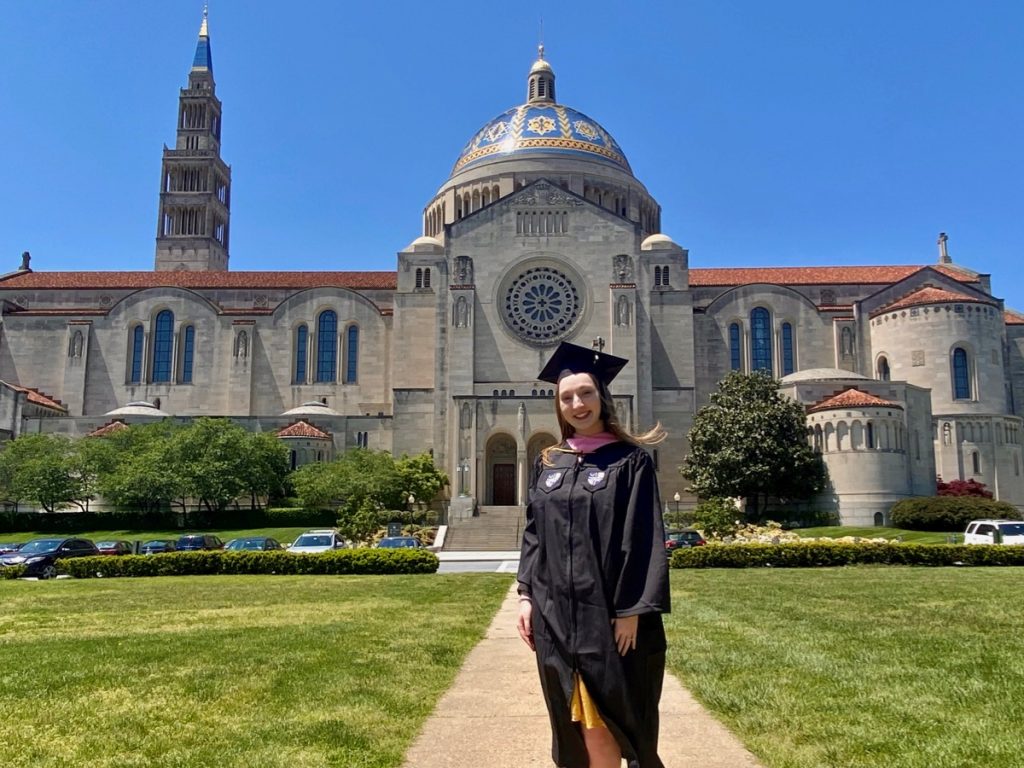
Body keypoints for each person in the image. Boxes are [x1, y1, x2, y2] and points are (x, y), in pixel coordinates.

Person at [517, 341, 671, 768]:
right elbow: (534, 535)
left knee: (606, 721)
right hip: (555, 617)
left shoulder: (630, 462)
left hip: (608, 619)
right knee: (572, 723)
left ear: (602, 397)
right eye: (566, 397)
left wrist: (631, 610)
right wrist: (526, 595)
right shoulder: (550, 463)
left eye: (585, 393)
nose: (576, 404)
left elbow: (641, 538)